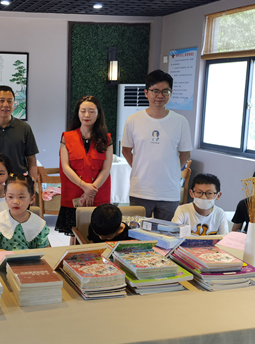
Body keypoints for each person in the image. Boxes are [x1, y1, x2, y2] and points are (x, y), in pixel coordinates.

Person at [122, 70, 192, 221]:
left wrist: (172, 169)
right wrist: (140, 167)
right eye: (155, 91)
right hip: (140, 189)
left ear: (171, 93)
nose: (160, 95)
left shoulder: (180, 122)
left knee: (166, 232)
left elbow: (185, 153)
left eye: (165, 91)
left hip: (169, 192)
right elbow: (126, 150)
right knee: (137, 232)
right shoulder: (133, 120)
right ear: (146, 93)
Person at [56, 95, 113, 245]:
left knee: (98, 234)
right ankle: (74, 258)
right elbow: (65, 167)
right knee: (74, 235)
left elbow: (106, 168)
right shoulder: (67, 137)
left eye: (91, 111)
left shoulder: (106, 139)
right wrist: (84, 187)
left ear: (98, 114)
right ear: (78, 113)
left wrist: (91, 190)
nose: (86, 115)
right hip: (74, 193)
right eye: (83, 111)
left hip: (98, 193)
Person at [0, 174, 50, 251]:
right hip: (5, 258)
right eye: (10, 197)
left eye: (21, 197)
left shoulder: (39, 224)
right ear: (5, 198)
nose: (15, 202)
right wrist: (5, 253)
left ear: (31, 199)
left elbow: (46, 250)